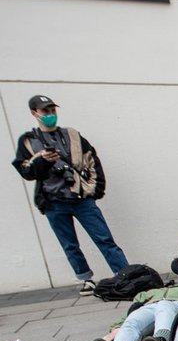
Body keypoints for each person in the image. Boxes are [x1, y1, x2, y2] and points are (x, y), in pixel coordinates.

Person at [11, 95, 129, 296]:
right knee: (70, 244)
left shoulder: (72, 135)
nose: (49, 115)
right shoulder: (29, 141)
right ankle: (86, 279)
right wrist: (44, 161)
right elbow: (27, 172)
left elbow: (92, 159)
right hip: (53, 201)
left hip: (81, 198)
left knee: (104, 238)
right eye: (44, 111)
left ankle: (125, 274)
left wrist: (94, 188)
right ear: (34, 113)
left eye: (52, 110)